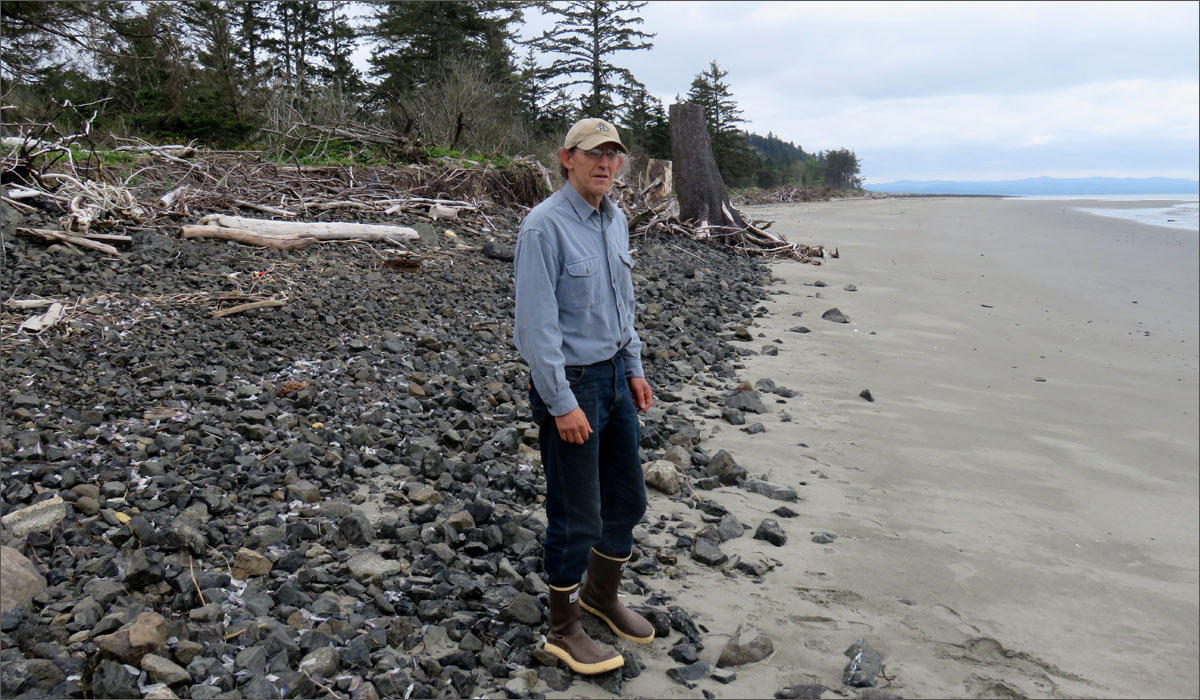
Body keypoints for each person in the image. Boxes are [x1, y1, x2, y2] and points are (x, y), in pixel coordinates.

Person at [513, 117, 656, 675]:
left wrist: (634, 366)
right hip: (572, 384)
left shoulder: (614, 219)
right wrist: (561, 401)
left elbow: (623, 305)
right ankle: (564, 627)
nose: (605, 164)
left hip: (616, 377)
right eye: (594, 154)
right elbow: (535, 328)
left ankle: (601, 596)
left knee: (627, 501)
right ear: (566, 158)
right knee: (576, 515)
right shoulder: (543, 228)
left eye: (613, 155)